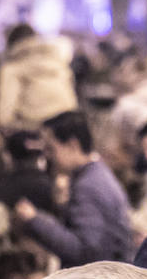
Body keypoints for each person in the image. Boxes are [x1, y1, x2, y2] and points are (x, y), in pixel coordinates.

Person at [13, 110, 134, 267]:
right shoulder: (97, 175)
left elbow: (86, 252)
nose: (47, 156)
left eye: (51, 149)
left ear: (72, 146)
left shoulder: (88, 186)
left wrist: (35, 220)